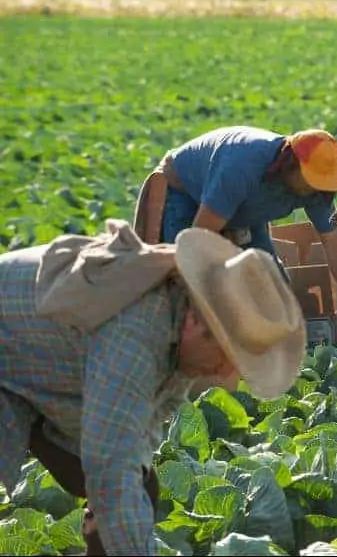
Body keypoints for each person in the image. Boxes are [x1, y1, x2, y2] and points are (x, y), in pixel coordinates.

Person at [0, 222, 307, 556]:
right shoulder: (137, 333)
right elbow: (111, 467)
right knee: (116, 485)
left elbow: (146, 427)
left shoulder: (180, 320)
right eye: (226, 357)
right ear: (196, 323)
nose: (225, 375)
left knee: (140, 486)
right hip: (10, 358)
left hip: (35, 371)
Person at [147, 125, 337, 325]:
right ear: (289, 164)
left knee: (274, 288)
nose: (312, 189)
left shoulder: (316, 191)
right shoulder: (241, 166)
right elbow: (198, 240)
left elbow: (332, 241)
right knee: (189, 290)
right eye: (310, 180)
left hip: (245, 211)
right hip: (187, 193)